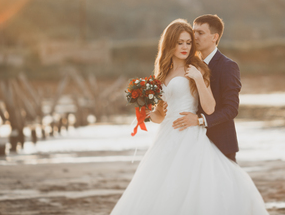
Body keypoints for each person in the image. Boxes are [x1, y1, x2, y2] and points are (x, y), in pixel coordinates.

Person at [110, 19, 269, 215]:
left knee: (192, 187)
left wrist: (198, 79)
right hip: (166, 135)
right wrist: (147, 113)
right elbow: (161, 114)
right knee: (161, 186)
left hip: (190, 134)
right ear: (170, 44)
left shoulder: (198, 68)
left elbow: (210, 108)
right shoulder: (162, 73)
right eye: (180, 42)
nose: (185, 46)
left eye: (188, 42)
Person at [172, 14, 240, 162]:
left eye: (200, 33)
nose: (195, 37)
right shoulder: (189, 63)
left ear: (214, 37)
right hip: (191, 141)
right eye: (193, 32)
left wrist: (199, 120)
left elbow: (231, 109)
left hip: (221, 143)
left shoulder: (228, 66)